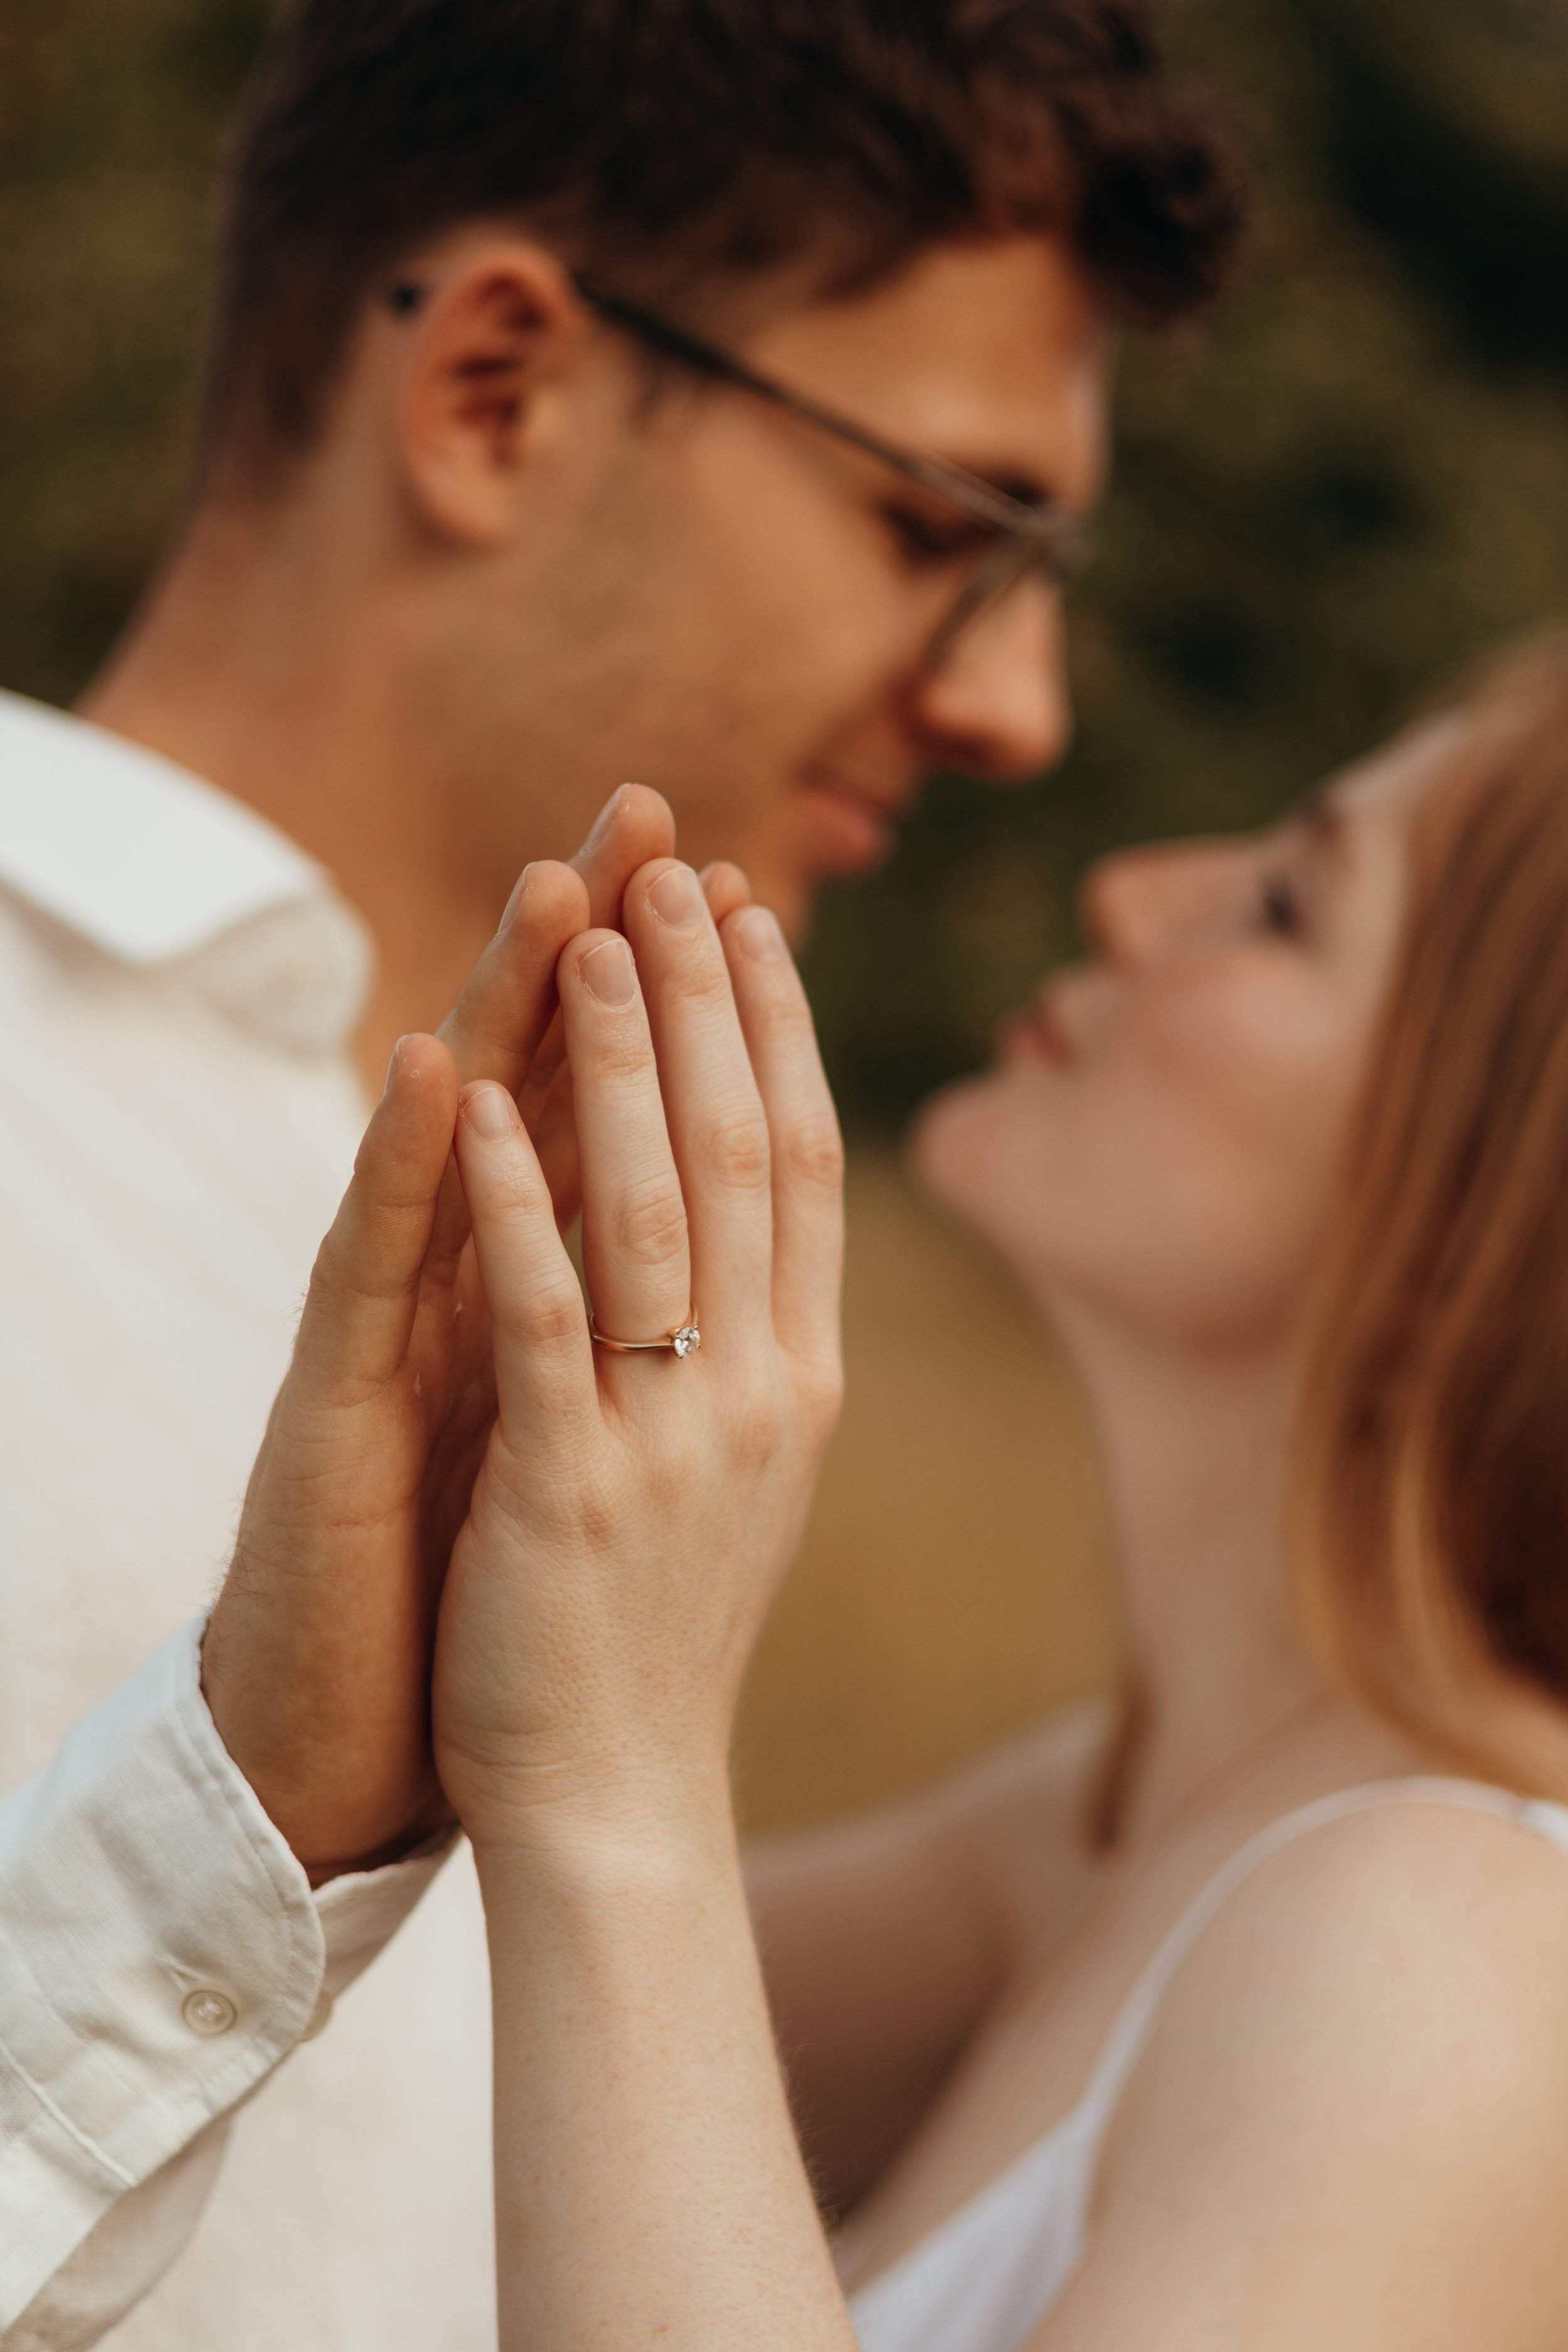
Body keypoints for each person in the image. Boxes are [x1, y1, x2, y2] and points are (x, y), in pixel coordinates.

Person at [0, 3, 1249, 2343]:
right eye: (941, 529)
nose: (1016, 707)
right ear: (496, 391)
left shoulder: (588, 1267)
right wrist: (241, 1823)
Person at [256, 633, 1568, 2351]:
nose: (1130, 895)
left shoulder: (1456, 1952)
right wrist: (361, 1730)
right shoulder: (1101, 1829)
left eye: (1282, 911)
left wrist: (616, 1779)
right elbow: (350, 2115)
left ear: (1494, 1211)